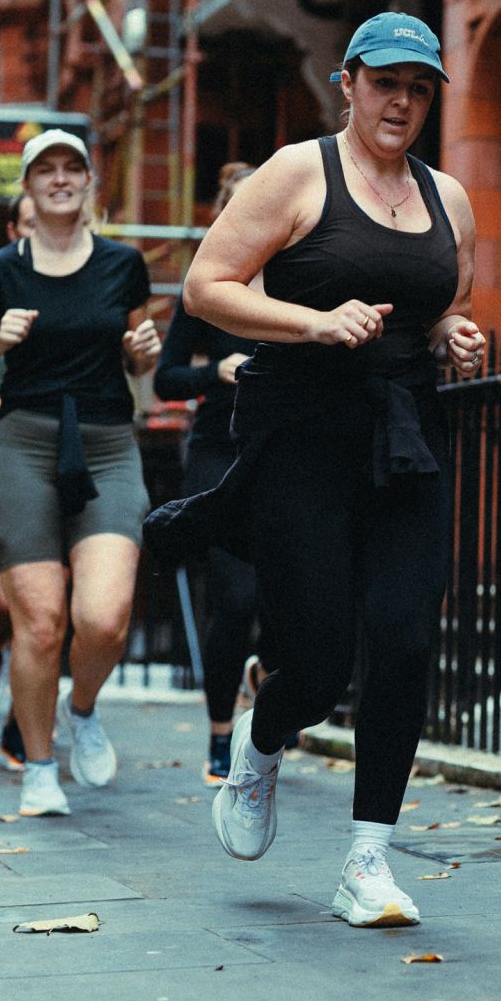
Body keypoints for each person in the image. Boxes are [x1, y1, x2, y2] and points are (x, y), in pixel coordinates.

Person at [146, 12, 484, 927]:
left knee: (407, 640)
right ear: (348, 82)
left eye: (419, 88)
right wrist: (314, 321)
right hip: (302, 435)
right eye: (387, 83)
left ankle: (367, 860)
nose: (402, 102)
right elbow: (207, 286)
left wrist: (454, 335)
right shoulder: (299, 171)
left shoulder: (447, 197)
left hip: (406, 437)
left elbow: (443, 302)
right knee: (321, 660)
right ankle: (261, 739)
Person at [0, 129, 161, 816]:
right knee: (41, 622)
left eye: (72, 168)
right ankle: (38, 766)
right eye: (45, 170)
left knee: (105, 617)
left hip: (108, 441)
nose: (59, 178)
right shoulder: (0, 269)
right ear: (26, 188)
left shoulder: (124, 264)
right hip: (22, 444)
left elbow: (139, 358)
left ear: (90, 184)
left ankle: (80, 708)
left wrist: (143, 350)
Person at [153, 163, 277, 785]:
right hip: (217, 445)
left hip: (283, 444)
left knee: (286, 591)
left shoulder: (293, 275)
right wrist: (216, 370)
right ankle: (221, 732)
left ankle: (270, 684)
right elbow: (165, 378)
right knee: (233, 597)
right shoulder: (204, 286)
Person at [0, 193, 36, 770]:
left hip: (47, 454)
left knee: (37, 592)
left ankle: (25, 722)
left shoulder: (83, 280)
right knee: (1, 595)